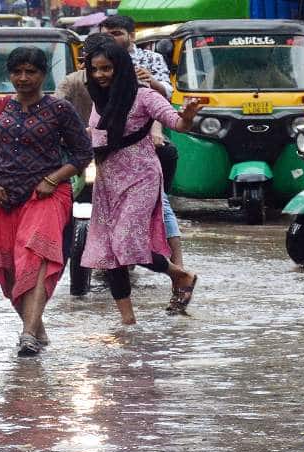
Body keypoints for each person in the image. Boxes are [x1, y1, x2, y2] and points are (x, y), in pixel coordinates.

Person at [0, 47, 92, 357]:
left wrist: (53, 179)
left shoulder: (60, 109)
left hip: (45, 194)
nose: (23, 78)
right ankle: (36, 328)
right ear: (9, 74)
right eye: (17, 71)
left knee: (35, 258)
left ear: (43, 74)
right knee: (8, 268)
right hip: (1, 197)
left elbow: (82, 153)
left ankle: (26, 335)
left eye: (31, 72)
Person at [83, 43, 200, 324]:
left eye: (106, 68)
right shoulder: (98, 100)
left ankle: (180, 274)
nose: (100, 75)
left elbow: (177, 123)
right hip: (107, 180)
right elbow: (94, 136)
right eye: (95, 69)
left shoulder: (144, 96)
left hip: (141, 178)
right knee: (108, 251)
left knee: (125, 243)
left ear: (121, 67)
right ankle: (127, 321)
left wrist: (188, 115)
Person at [99, 16, 186, 274]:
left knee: (162, 200)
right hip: (106, 145)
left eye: (116, 33)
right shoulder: (97, 61)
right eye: (106, 34)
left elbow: (164, 99)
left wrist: (152, 81)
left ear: (131, 35)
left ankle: (177, 265)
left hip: (144, 142)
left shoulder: (150, 60)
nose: (111, 39)